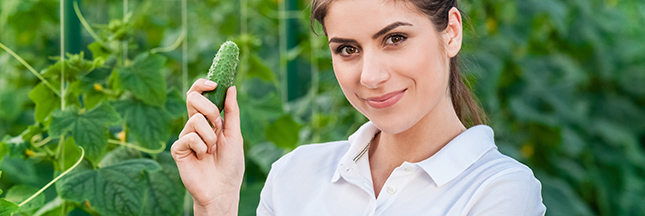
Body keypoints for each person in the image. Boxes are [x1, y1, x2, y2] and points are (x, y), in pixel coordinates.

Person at [171, 0, 547, 215]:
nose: (370, 76)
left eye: (395, 38)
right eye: (347, 49)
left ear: (450, 32)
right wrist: (217, 205)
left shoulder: (499, 191)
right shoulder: (294, 176)